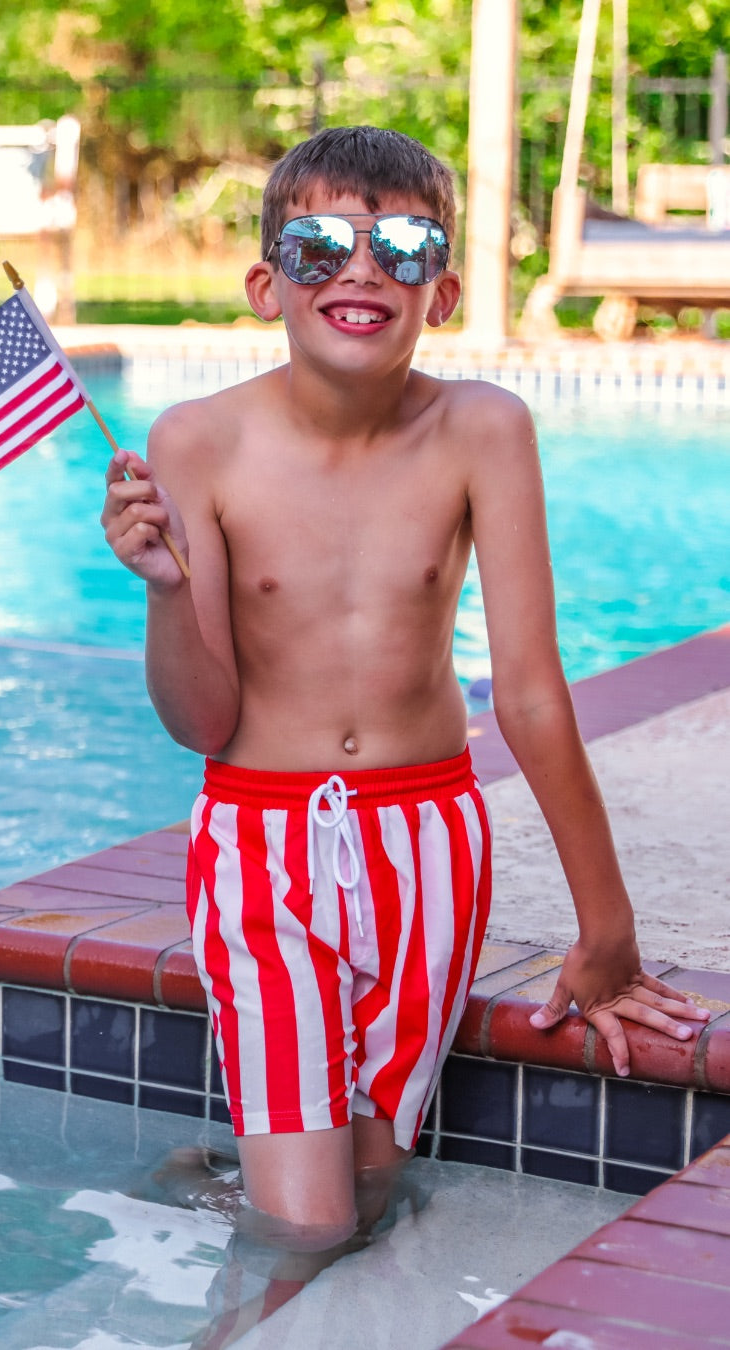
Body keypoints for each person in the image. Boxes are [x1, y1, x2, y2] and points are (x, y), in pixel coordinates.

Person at [100, 126, 708, 1251]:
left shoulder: (482, 429)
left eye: (406, 244)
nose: (363, 268)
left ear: (446, 288)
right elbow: (203, 722)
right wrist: (160, 590)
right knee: (311, 1229)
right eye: (322, 243)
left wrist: (606, 924)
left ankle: (231, 1174)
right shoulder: (199, 441)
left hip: (428, 848)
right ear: (265, 280)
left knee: (374, 1195)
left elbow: (528, 691)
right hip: (262, 848)